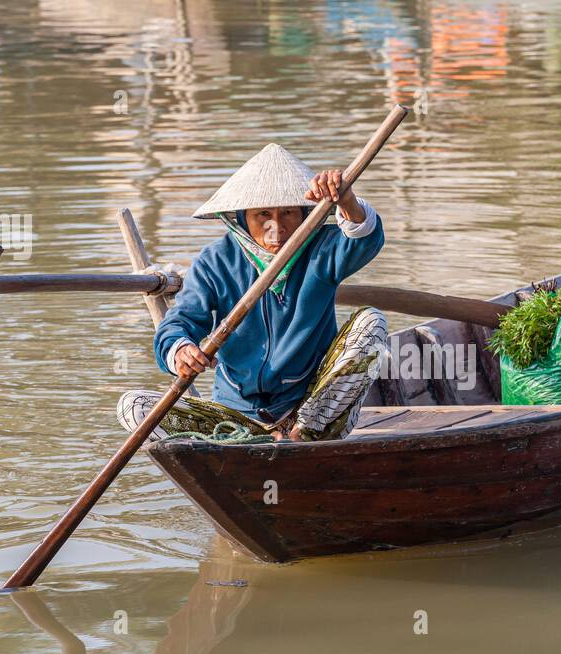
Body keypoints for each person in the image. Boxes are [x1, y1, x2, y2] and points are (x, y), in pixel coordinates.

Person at [117, 143, 387, 442]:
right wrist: (181, 350)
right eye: (262, 214)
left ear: (305, 214)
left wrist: (346, 200)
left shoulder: (321, 248)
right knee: (134, 407)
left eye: (288, 213)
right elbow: (180, 323)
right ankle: (259, 440)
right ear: (242, 217)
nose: (276, 227)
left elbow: (364, 239)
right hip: (238, 417)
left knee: (372, 322)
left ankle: (302, 434)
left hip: (312, 406)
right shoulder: (217, 261)